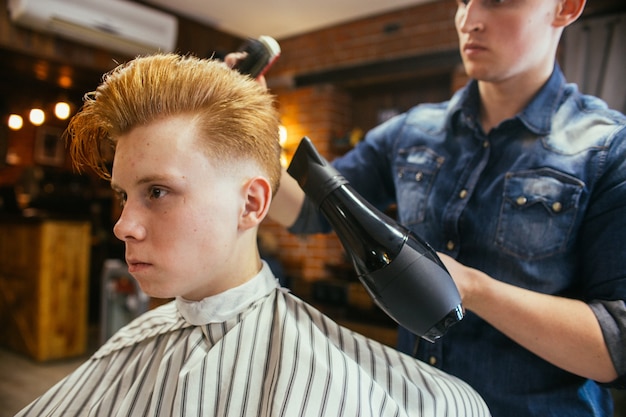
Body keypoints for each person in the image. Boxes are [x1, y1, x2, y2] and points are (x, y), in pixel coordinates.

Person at [16, 54, 491, 416]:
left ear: (251, 204)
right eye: (124, 195)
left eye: (157, 191)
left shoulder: (379, 392)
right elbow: (307, 214)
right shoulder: (127, 348)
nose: (123, 225)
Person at [259, 0, 626, 416]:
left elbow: (617, 344)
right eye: (462, 2)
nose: (469, 21)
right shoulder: (411, 131)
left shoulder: (609, 149)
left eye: (497, 1)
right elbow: (309, 211)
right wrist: (247, 126)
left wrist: (471, 288)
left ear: (566, 7)